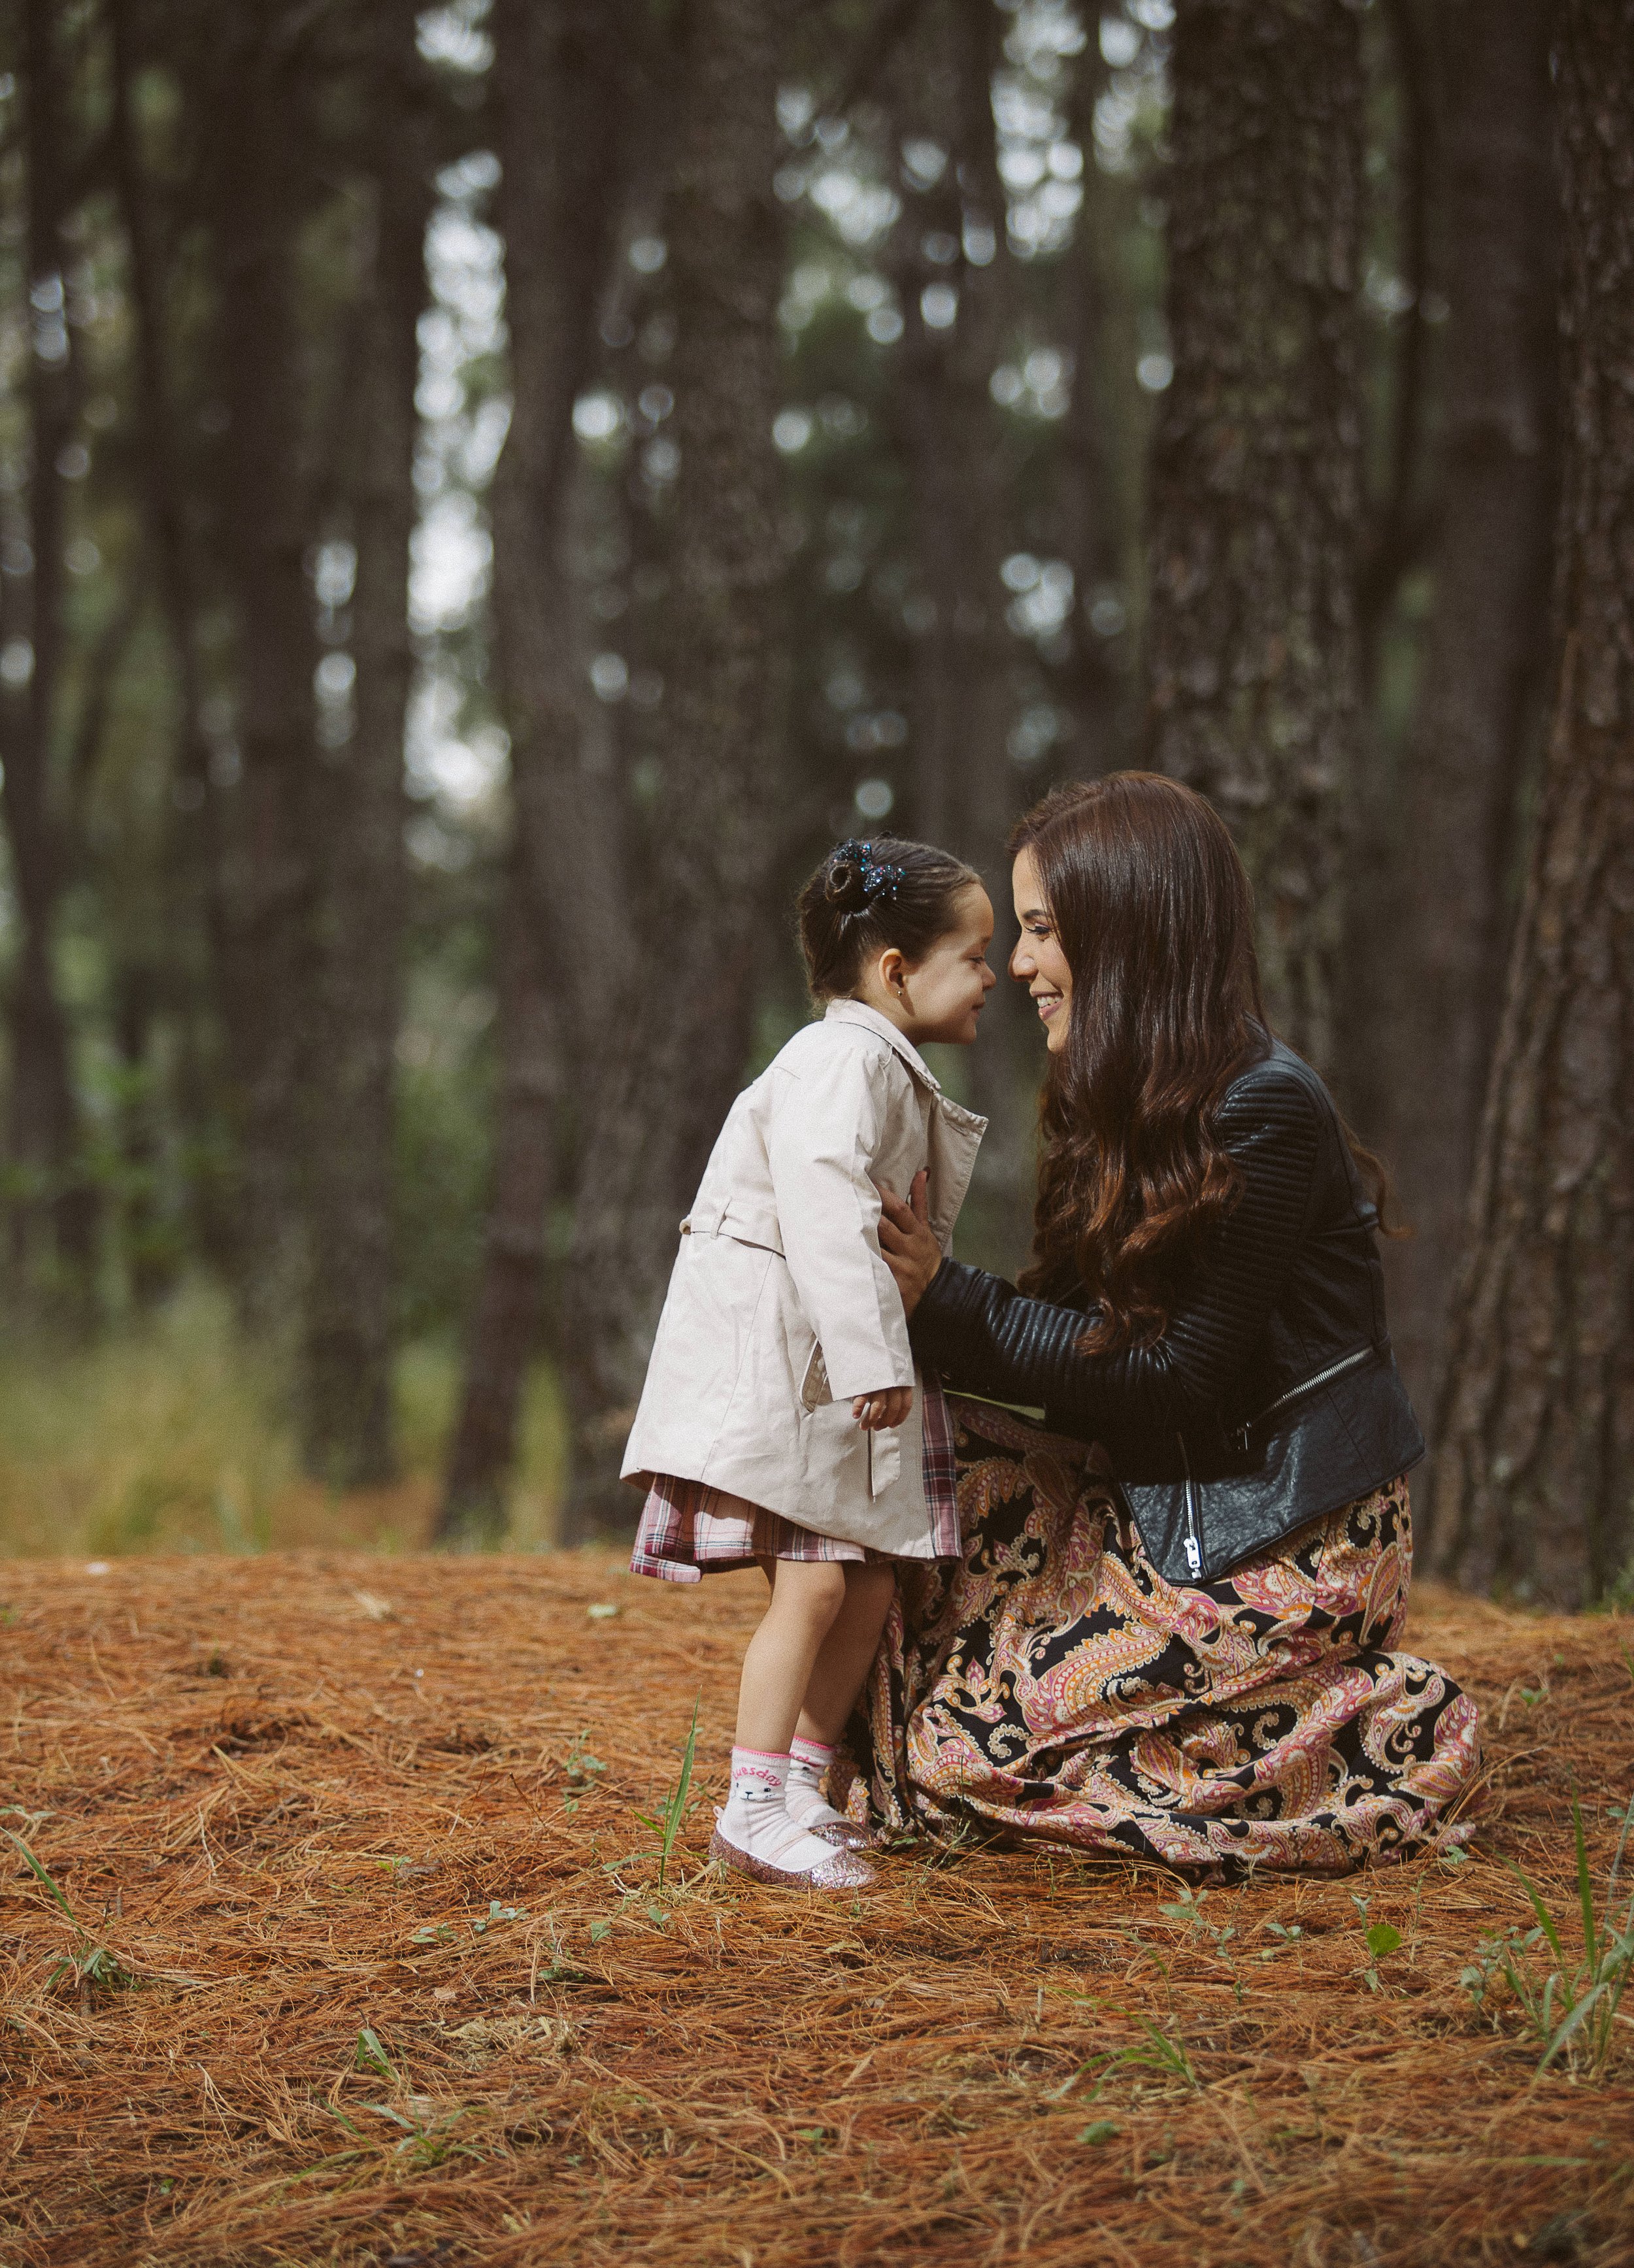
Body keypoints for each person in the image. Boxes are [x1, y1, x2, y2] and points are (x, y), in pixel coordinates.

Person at [856, 775, 1480, 1875]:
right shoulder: (1122, 1099)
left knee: (957, 1757)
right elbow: (1066, 1344)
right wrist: (903, 1323)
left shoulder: (1263, 1107)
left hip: (1286, 1537)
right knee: (911, 1443)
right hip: (1164, 1499)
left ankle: (1376, 1723)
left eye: (1042, 929)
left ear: (1126, 928)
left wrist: (947, 1296)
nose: (1018, 965)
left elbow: (1173, 1377)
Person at [622, 836, 995, 1889]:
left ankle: (798, 1781)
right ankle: (749, 1802)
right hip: (804, 1364)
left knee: (868, 1580)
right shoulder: (846, 1060)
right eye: (973, 955)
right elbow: (829, 1206)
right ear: (893, 972)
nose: (993, 977)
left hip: (836, 1368)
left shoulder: (872, 1061)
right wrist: (872, 1354)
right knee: (817, 1588)